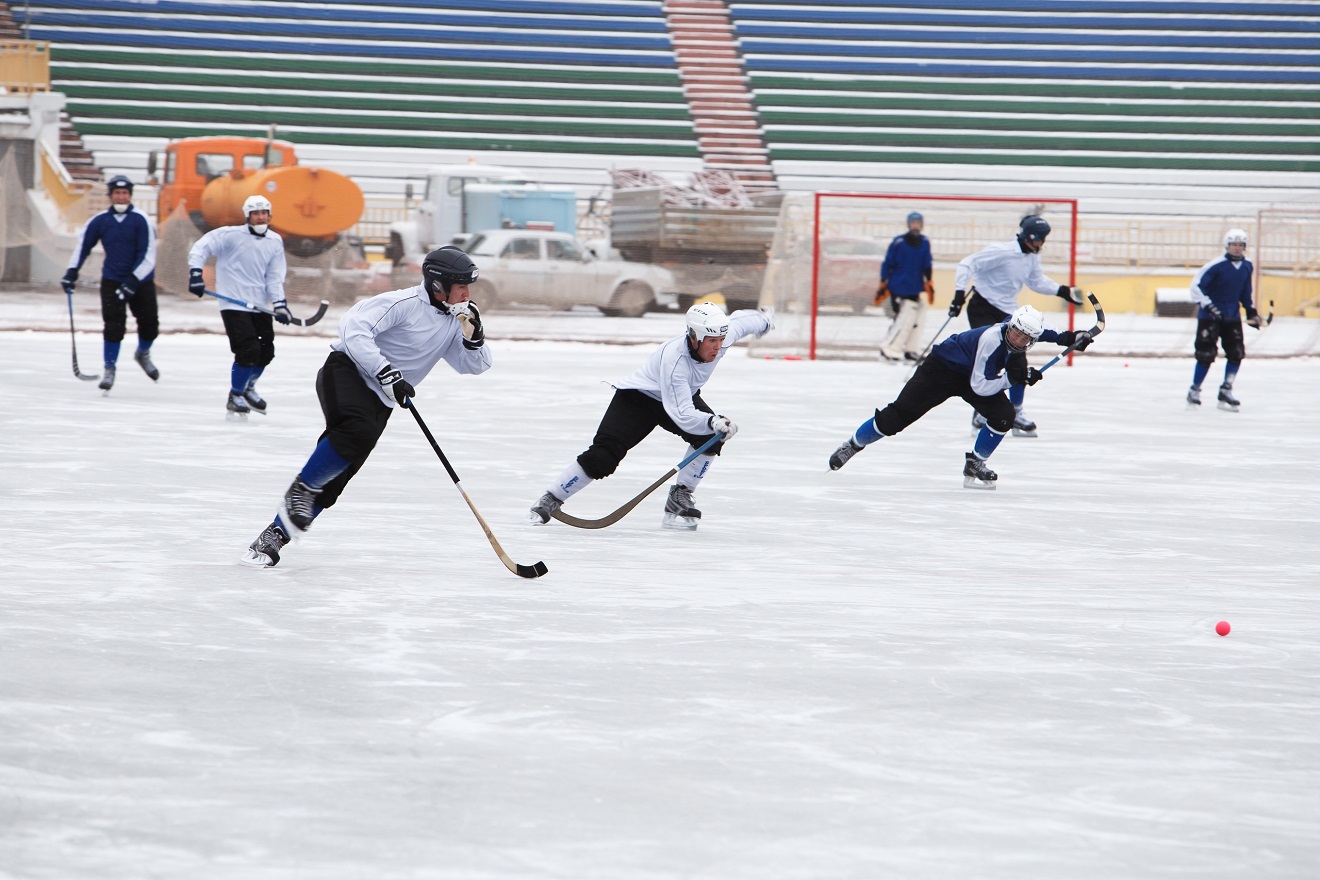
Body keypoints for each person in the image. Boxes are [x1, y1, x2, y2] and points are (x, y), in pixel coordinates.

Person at [240, 246, 489, 568]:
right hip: (346, 372)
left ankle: (274, 535)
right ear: (438, 285)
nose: (467, 293)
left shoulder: (455, 321)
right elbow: (353, 328)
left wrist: (474, 339)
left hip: (383, 398)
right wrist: (387, 372)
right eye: (461, 286)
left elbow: (474, 366)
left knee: (340, 473)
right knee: (356, 430)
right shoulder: (403, 303)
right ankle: (301, 489)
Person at [527, 301, 774, 531]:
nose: (718, 347)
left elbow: (741, 321)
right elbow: (682, 415)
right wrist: (712, 421)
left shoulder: (722, 335)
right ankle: (552, 497)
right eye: (712, 341)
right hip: (639, 399)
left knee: (711, 437)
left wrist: (763, 321)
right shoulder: (675, 360)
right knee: (604, 456)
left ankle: (680, 496)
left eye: (721, 339)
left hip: (681, 394)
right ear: (694, 337)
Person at [827, 305, 1092, 489]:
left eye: (1025, 338)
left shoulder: (1023, 336)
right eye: (1016, 332)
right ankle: (853, 443)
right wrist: (1016, 379)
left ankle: (975, 463)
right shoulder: (991, 339)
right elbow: (981, 387)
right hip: (943, 369)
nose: (1018, 339)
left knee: (1004, 417)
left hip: (974, 375)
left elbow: (1045, 332)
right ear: (1009, 325)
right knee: (897, 418)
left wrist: (1071, 337)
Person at [947, 215, 1084, 437]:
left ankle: (1017, 413)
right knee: (989, 358)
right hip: (983, 307)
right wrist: (958, 293)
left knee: (1018, 359)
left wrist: (1062, 291)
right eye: (1041, 239)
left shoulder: (1031, 257)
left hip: (1008, 311)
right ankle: (981, 413)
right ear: (1030, 237)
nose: (1042, 244)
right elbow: (968, 264)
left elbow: (1035, 280)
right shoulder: (1002, 251)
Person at [187, 194, 290, 418]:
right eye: (256, 214)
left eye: (264, 213)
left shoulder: (275, 241)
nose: (261, 218)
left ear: (270, 216)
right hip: (233, 303)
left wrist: (280, 304)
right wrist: (196, 273)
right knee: (247, 350)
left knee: (265, 353)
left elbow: (274, 276)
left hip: (259, 305)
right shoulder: (230, 235)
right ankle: (235, 395)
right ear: (248, 216)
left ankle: (248, 388)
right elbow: (200, 248)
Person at [61, 175, 159, 393]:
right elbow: (82, 247)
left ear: (130, 195)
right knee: (114, 325)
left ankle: (143, 353)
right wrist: (71, 273)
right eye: (117, 193)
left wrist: (133, 280)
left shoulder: (141, 219)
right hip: (112, 280)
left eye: (125, 193)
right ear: (110, 195)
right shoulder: (100, 221)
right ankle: (109, 368)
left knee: (150, 325)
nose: (121, 197)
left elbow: (148, 254)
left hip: (140, 282)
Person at [1187, 228, 1264, 412]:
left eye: (1240, 245)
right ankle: (1194, 390)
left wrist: (1250, 311)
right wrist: (1209, 306)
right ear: (1227, 246)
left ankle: (1226, 389)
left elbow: (1246, 290)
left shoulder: (1247, 266)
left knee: (1236, 353)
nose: (1237, 248)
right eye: (1233, 244)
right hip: (1209, 318)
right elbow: (1196, 287)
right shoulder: (1216, 265)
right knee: (1206, 355)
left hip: (1232, 316)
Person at [875, 211, 934, 362]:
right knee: (904, 318)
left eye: (918, 222)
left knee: (918, 317)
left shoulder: (925, 242)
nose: (915, 225)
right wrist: (883, 283)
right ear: (908, 224)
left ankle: (911, 349)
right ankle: (889, 348)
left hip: (915, 286)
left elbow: (927, 264)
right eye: (913, 222)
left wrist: (929, 282)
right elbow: (888, 263)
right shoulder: (899, 242)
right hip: (899, 285)